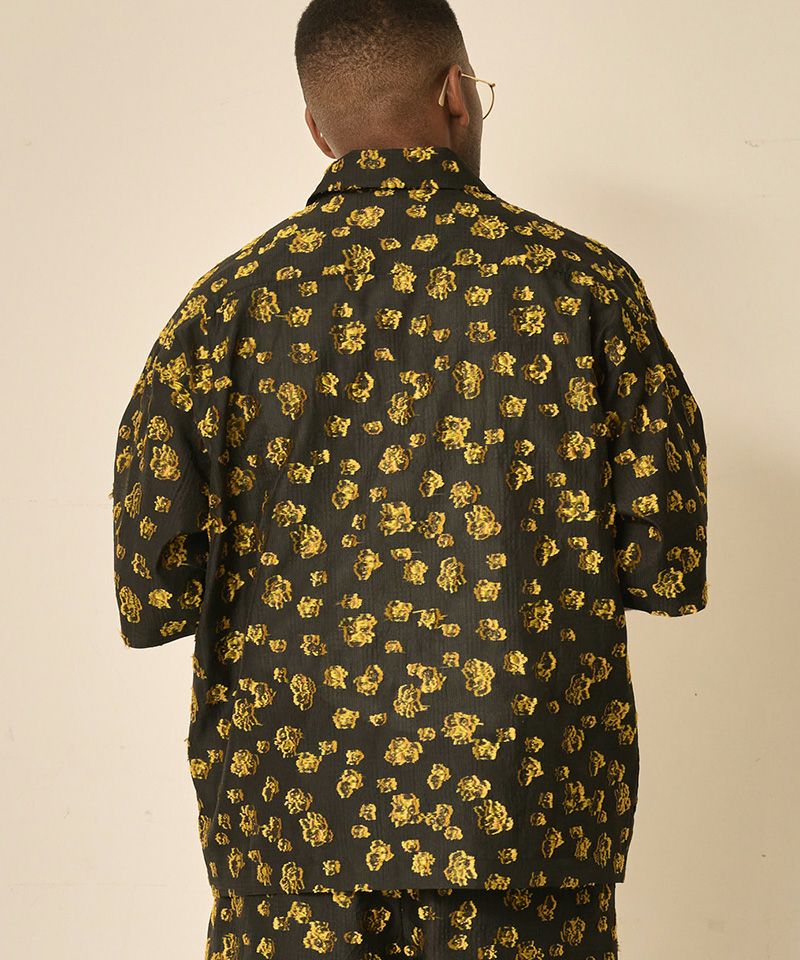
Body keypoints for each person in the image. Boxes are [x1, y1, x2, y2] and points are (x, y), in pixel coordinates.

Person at [110, 1, 709, 956]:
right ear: (456, 95)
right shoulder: (585, 289)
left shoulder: (224, 310)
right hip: (525, 830)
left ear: (319, 130)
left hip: (293, 842)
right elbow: (666, 562)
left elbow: (153, 589)